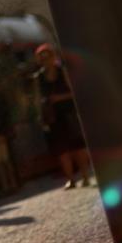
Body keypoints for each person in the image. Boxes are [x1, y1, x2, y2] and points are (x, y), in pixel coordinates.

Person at [33, 44, 91, 190]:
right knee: (62, 149)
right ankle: (70, 179)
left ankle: (85, 176)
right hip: (53, 116)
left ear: (53, 56)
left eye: (47, 56)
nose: (45, 60)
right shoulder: (38, 78)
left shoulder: (63, 72)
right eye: (42, 58)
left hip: (69, 113)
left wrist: (59, 98)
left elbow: (75, 92)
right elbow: (37, 98)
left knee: (77, 146)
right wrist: (41, 113)